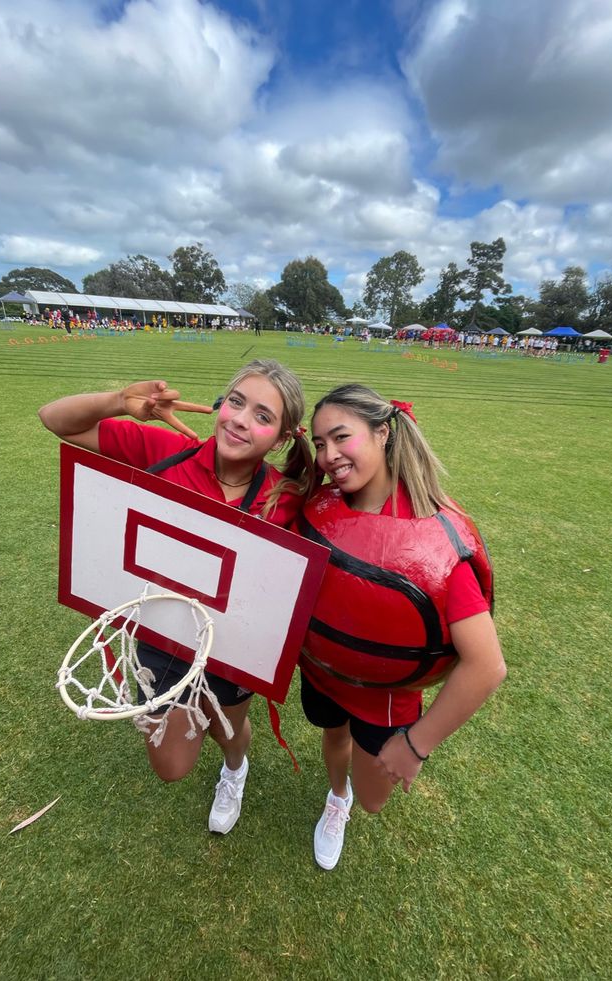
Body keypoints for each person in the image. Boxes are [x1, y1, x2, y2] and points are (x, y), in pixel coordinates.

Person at [39, 360, 314, 834]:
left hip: (233, 647)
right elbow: (54, 419)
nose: (240, 420)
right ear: (220, 404)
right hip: (160, 635)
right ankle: (192, 711)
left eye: (263, 417)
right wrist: (119, 401)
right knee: (171, 766)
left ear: (283, 436)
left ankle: (234, 769)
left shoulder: (287, 496)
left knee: (227, 726)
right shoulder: (168, 451)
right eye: (235, 402)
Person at [297, 384, 506, 870]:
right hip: (322, 670)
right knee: (333, 735)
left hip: (384, 693)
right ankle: (335, 796)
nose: (328, 454)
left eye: (340, 437)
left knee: (375, 800)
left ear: (383, 432)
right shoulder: (319, 506)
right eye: (319, 442)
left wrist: (416, 745)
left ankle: (352, 797)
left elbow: (487, 665)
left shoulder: (434, 541)